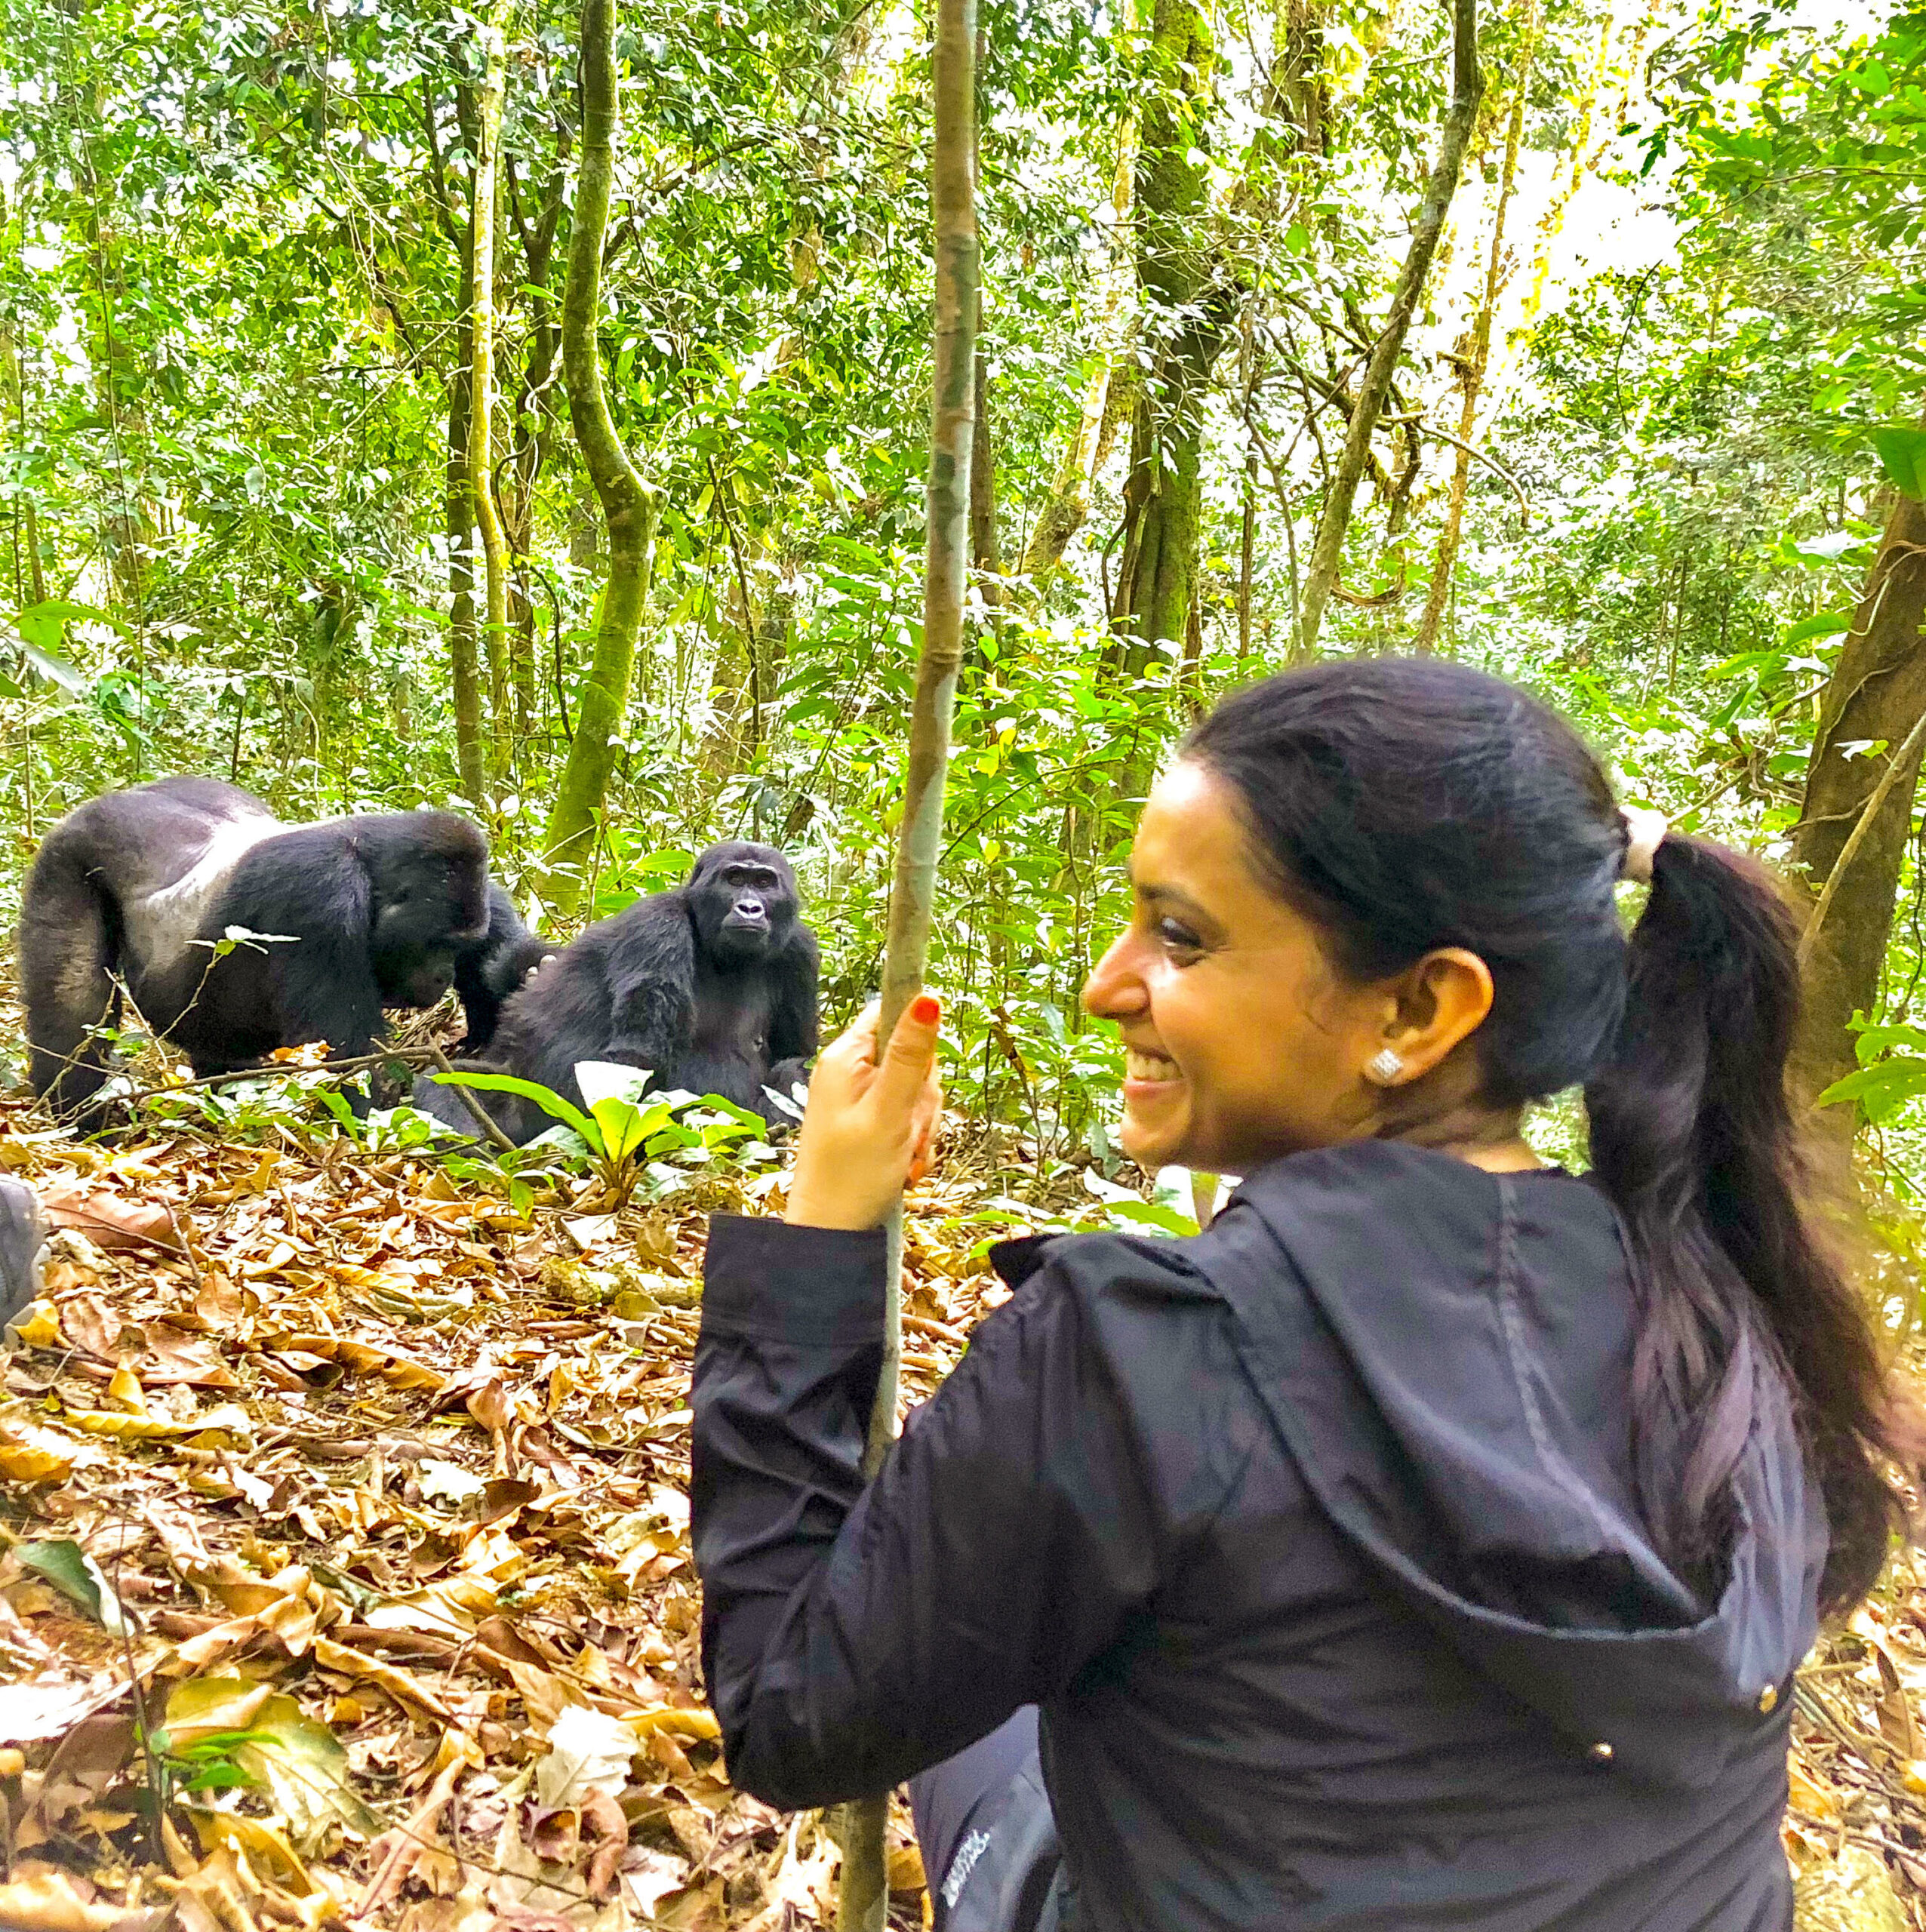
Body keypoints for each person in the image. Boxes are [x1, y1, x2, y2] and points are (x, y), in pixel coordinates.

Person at [690, 657, 1917, 1931]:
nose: (1106, 986)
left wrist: (822, 1234)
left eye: (1180, 936)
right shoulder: (1724, 1301)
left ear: (1420, 1007)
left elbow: (792, 1714)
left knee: (983, 1696)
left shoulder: (1144, 1349)